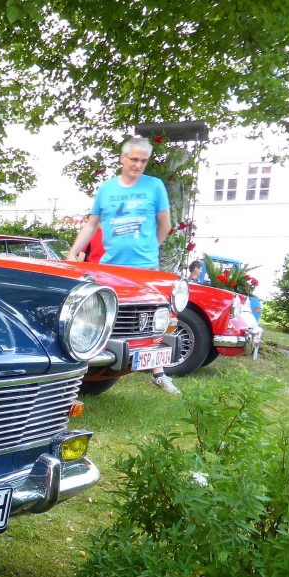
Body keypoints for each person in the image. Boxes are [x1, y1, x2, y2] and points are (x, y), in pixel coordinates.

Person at [67, 136, 179, 395]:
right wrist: (74, 252)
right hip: (109, 267)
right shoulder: (106, 189)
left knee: (153, 319)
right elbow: (92, 224)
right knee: (103, 317)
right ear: (122, 158)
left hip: (144, 267)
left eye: (143, 161)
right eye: (134, 159)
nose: (138, 165)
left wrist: (149, 249)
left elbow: (165, 225)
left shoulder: (154, 187)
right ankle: (89, 373)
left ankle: (158, 373)